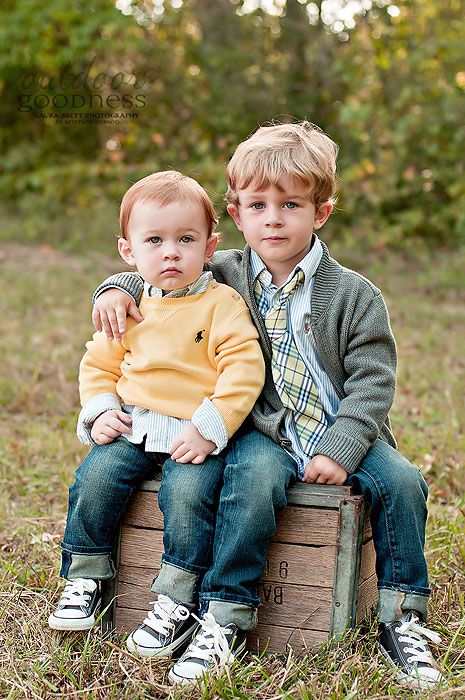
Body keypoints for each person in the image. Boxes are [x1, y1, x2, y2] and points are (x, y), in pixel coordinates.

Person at [92, 122, 445, 690]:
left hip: (339, 429)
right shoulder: (222, 272)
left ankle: (402, 617)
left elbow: (373, 384)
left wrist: (342, 447)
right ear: (235, 213)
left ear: (321, 212)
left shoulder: (355, 294)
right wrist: (113, 290)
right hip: (264, 430)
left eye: (291, 204)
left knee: (402, 482)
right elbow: (158, 271)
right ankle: (224, 615)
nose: (273, 219)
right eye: (258, 204)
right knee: (250, 482)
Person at [48, 170, 278, 686]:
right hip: (134, 424)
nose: (170, 252)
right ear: (128, 251)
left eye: (186, 240)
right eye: (155, 241)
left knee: (190, 494)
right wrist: (101, 408)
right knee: (95, 480)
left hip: (192, 431)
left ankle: (176, 598)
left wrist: (210, 425)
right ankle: (84, 577)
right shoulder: (128, 307)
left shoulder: (222, 304)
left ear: (210, 246)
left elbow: (244, 368)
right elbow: (99, 364)